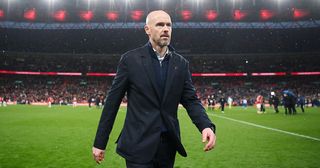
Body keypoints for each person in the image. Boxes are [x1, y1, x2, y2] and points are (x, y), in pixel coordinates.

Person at [92, 10, 216, 168]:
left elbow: (191, 100)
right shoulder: (130, 60)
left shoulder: (181, 63)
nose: (165, 29)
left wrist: (206, 125)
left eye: (169, 25)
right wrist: (100, 142)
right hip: (138, 144)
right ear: (147, 29)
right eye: (160, 24)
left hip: (167, 147)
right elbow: (112, 103)